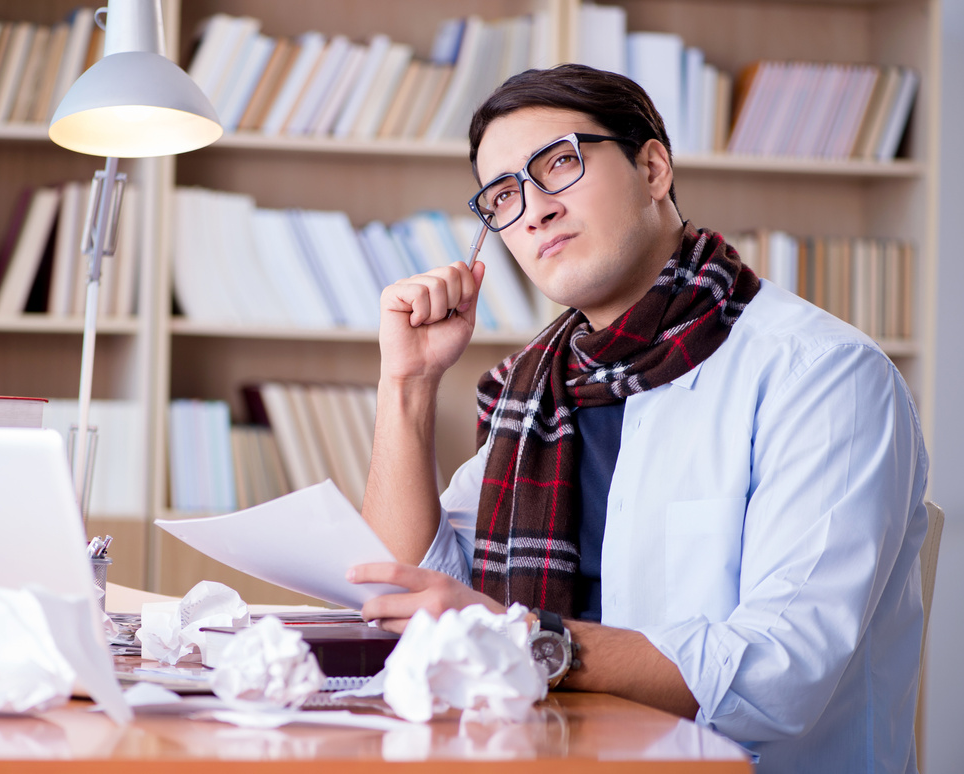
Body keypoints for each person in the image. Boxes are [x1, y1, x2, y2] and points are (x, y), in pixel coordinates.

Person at [349, 64, 929, 773]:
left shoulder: (821, 373)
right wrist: (406, 383)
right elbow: (404, 592)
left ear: (652, 168)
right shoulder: (535, 392)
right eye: (503, 196)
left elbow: (779, 675)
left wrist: (519, 637)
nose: (533, 211)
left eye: (557, 163)